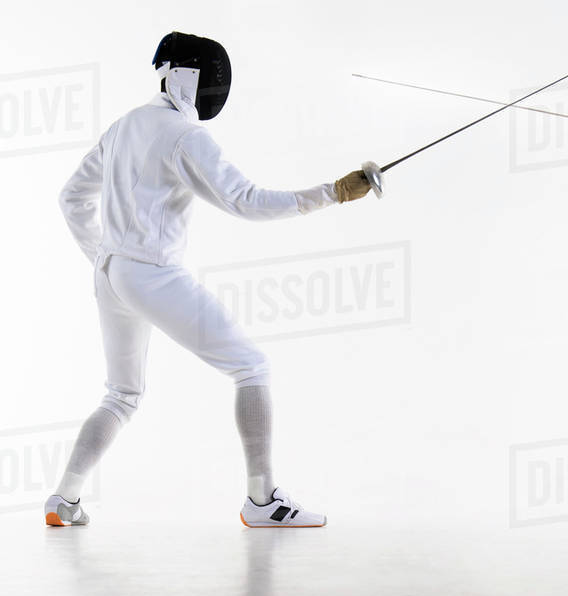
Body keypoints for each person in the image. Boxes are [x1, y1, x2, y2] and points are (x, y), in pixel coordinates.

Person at [47, 31, 374, 528]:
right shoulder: (185, 137)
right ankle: (262, 501)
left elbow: (71, 197)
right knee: (251, 366)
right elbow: (246, 201)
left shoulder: (124, 125)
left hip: (110, 274)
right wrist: (333, 192)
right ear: (191, 78)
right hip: (150, 273)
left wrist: (104, 258)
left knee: (122, 394)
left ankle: (63, 500)